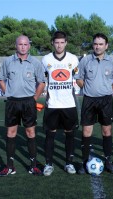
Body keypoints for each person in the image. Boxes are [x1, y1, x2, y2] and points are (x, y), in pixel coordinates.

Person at [0, 35, 46, 176]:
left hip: (29, 102)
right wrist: (8, 93)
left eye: (25, 44)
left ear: (29, 46)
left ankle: (33, 166)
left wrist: (35, 98)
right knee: (11, 133)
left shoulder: (35, 63)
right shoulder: (7, 62)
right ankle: (10, 166)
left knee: (30, 132)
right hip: (12, 102)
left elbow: (42, 82)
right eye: (20, 44)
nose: (23, 47)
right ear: (16, 45)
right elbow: (1, 79)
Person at [75, 33, 113, 174]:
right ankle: (84, 162)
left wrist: (107, 90)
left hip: (106, 100)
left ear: (106, 46)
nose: (98, 46)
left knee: (106, 130)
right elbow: (79, 79)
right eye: (95, 43)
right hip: (89, 100)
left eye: (101, 44)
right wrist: (89, 89)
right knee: (86, 131)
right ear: (92, 45)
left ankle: (108, 162)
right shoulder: (85, 61)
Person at [41, 31, 79, 176]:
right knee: (50, 135)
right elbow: (41, 79)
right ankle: (48, 164)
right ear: (52, 43)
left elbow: (79, 77)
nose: (59, 45)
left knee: (70, 135)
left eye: (62, 42)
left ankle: (69, 163)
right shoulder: (45, 60)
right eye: (56, 42)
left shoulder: (73, 59)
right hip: (52, 104)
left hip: (69, 104)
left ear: (66, 43)